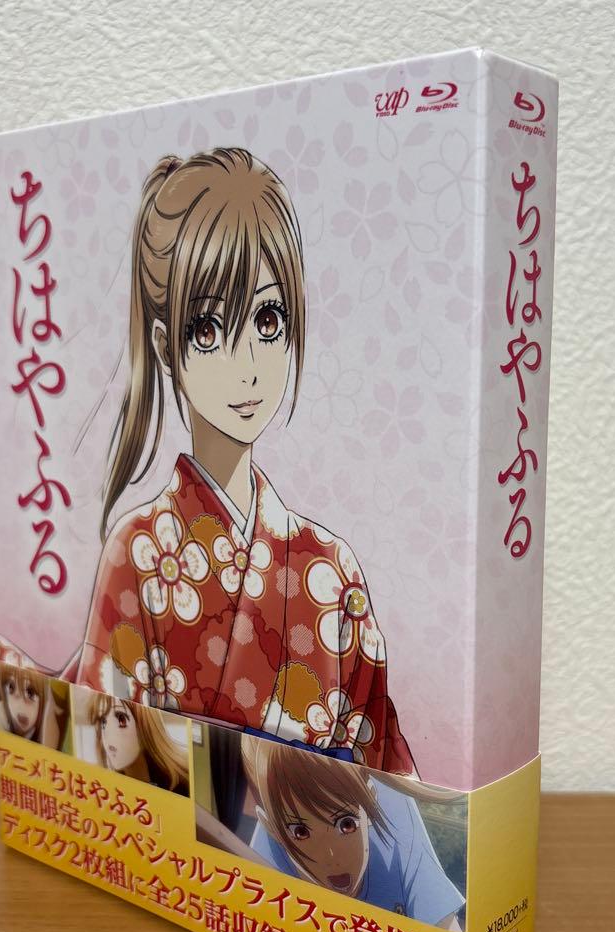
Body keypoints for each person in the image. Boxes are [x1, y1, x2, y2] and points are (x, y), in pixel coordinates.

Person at [71, 147, 416, 776]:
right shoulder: (138, 556)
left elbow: (382, 783)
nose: (247, 362)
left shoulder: (331, 571)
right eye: (207, 328)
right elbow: (106, 762)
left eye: (268, 319)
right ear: (166, 348)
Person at [240, 733, 464, 931]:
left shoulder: (393, 813)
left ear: (371, 800)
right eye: (301, 832)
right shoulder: (274, 830)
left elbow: (444, 931)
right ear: (271, 828)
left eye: (346, 824)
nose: (331, 856)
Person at [81, 692, 189, 796]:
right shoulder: (107, 791)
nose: (108, 735)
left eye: (121, 719)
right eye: (103, 722)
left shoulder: (181, 787)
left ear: (143, 725)